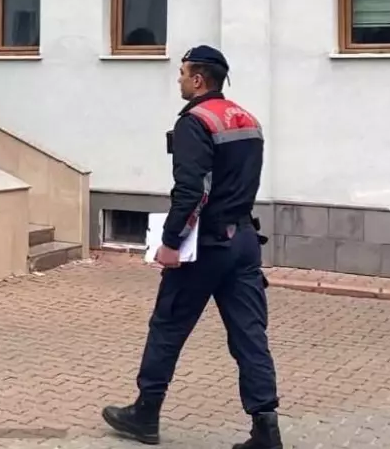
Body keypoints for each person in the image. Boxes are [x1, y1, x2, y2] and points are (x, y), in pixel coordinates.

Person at [102, 46, 282, 449]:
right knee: (249, 335)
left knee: (168, 325)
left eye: (183, 73)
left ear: (199, 79)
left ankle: (145, 414)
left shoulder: (194, 122)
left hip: (207, 245)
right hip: (244, 241)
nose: (180, 80)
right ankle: (266, 428)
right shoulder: (247, 119)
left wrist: (170, 242)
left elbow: (192, 191)